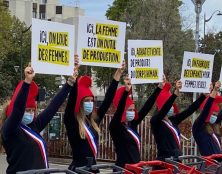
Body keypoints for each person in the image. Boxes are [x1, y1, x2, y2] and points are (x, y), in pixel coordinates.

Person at [1, 64, 77, 173]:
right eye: (27, 110)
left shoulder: (33, 126)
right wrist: (27, 82)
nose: (31, 114)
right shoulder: (10, 128)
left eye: (33, 110)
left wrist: (69, 83)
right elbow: (18, 109)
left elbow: (53, 106)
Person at [64, 58, 125, 171]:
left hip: (93, 168)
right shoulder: (72, 121)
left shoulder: (94, 120)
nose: (90, 103)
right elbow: (72, 100)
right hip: (77, 170)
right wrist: (75, 75)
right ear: (80, 102)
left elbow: (107, 100)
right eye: (87, 100)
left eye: (92, 101)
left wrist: (118, 74)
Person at [109, 77, 163, 168]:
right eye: (130, 110)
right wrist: (126, 91)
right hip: (123, 169)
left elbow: (147, 107)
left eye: (133, 110)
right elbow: (119, 110)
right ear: (124, 110)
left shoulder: (132, 124)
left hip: (136, 167)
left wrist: (159, 88)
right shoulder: (115, 126)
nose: (132, 112)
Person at [150, 80, 206, 162]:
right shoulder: (155, 121)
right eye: (170, 104)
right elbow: (164, 110)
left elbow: (190, 110)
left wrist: (203, 96)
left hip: (176, 160)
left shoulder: (173, 120)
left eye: (173, 105)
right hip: (164, 162)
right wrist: (175, 94)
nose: (172, 107)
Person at [193, 81, 222, 156]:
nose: (215, 117)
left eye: (216, 114)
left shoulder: (214, 126)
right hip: (207, 166)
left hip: (218, 165)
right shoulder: (198, 128)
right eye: (213, 114)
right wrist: (214, 90)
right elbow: (206, 110)